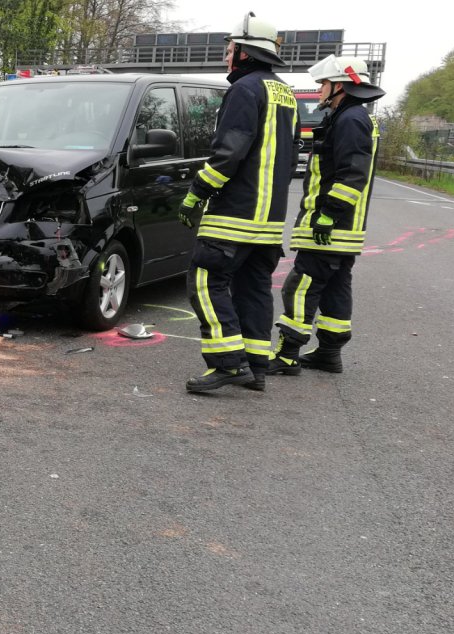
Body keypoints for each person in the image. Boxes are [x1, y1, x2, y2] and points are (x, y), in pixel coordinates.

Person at [177, 12, 297, 393]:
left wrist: (197, 193)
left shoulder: (245, 90)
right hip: (269, 220)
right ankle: (256, 368)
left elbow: (229, 152)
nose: (226, 56)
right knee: (253, 289)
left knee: (204, 279)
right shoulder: (285, 93)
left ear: (246, 52)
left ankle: (228, 364)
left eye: (230, 49)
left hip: (235, 214)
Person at [268, 55, 384, 376]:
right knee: (335, 288)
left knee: (301, 285)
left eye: (323, 84)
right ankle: (329, 354)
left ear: (340, 85)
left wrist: (328, 215)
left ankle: (288, 354)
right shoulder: (351, 117)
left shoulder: (351, 120)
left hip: (330, 228)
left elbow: (352, 173)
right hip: (343, 231)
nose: (319, 90)